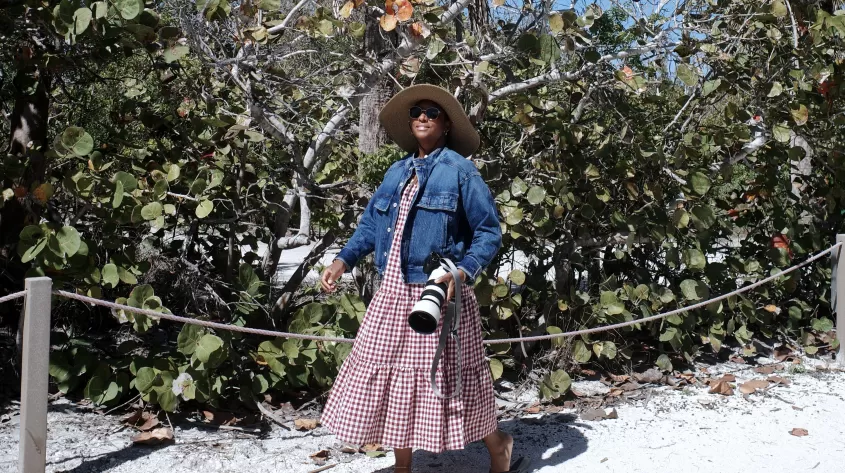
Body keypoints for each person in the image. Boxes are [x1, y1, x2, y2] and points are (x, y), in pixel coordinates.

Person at [319, 84, 528, 473]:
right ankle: (403, 466)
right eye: (417, 111)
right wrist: (342, 260)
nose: (422, 118)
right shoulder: (396, 171)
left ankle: (499, 445)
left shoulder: (460, 171)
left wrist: (462, 271)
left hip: (438, 292)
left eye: (432, 113)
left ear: (446, 124)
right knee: (391, 377)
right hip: (393, 290)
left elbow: (488, 233)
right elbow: (371, 225)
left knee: (455, 381)